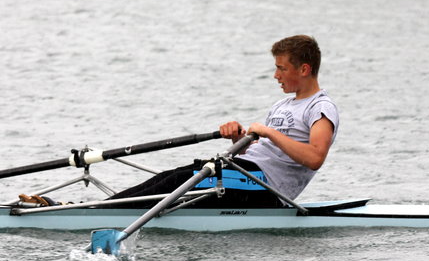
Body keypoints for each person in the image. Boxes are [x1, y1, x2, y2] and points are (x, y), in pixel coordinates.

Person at [108, 35, 339, 207]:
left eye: (281, 68)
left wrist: (269, 132)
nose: (276, 75)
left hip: (265, 188)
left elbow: (315, 158)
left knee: (180, 180)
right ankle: (97, 208)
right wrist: (239, 139)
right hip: (246, 173)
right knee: (172, 175)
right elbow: (262, 151)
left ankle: (97, 214)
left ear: (304, 69)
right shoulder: (282, 105)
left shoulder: (320, 108)